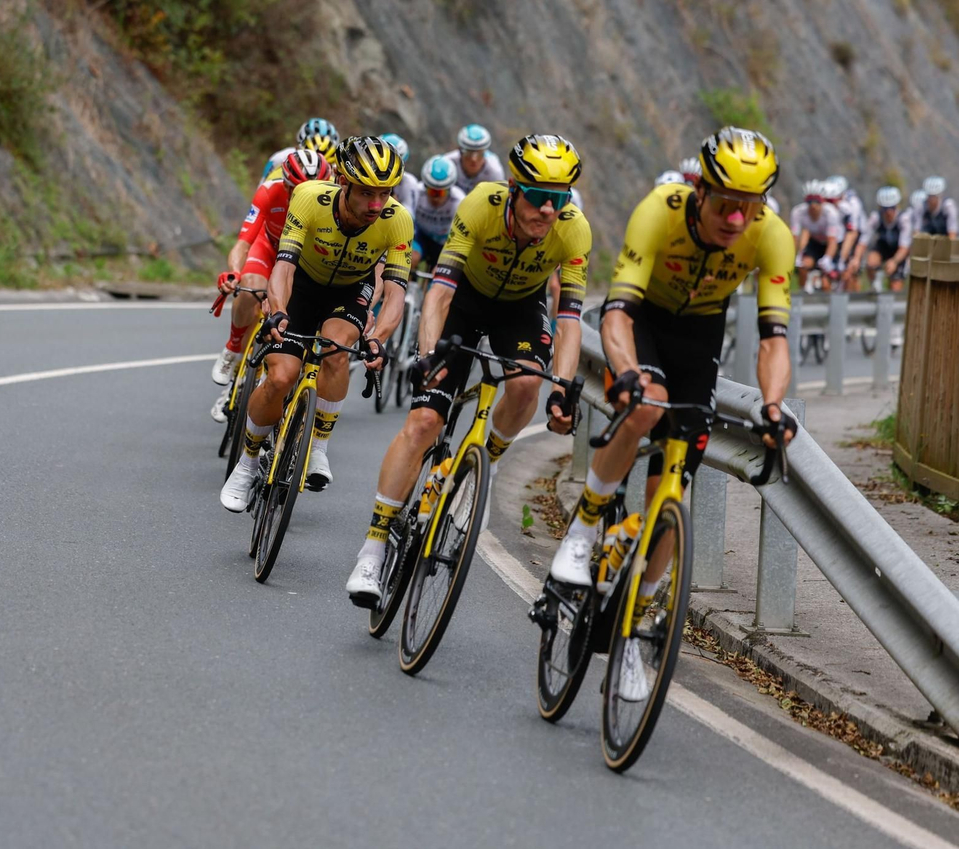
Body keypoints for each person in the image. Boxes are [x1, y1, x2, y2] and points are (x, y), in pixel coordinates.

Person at [548, 127, 794, 701]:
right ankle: (584, 530)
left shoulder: (771, 236)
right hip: (643, 322)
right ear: (700, 190)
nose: (738, 219)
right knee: (645, 407)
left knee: (674, 494)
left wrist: (774, 406)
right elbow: (614, 314)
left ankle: (636, 626)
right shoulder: (661, 210)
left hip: (699, 337)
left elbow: (772, 338)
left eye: (751, 206)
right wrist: (628, 372)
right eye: (728, 203)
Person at [344, 135, 591, 605]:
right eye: (539, 198)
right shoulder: (481, 204)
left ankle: (488, 461)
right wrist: (426, 356)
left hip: (520, 308)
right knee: (423, 422)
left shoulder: (573, 231)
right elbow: (438, 292)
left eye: (559, 201)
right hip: (465, 301)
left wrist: (564, 391)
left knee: (527, 384)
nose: (548, 211)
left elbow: (568, 319)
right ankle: (373, 549)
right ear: (515, 189)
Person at [219, 137, 415, 511]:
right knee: (279, 377)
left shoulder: (397, 220)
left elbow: (394, 294)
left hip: (352, 289)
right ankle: (246, 464)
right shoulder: (310, 198)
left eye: (386, 193)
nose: (377, 205)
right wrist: (277, 310)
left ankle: (319, 447)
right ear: (343, 180)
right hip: (302, 285)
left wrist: (379, 338)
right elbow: (284, 267)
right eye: (367, 193)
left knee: (336, 351)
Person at [210, 150, 334, 419]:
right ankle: (233, 349)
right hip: (269, 248)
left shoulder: (333, 206)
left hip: (303, 261)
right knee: (250, 286)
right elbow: (243, 243)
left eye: (310, 192)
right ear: (285, 184)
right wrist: (233, 272)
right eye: (295, 190)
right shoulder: (269, 191)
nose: (302, 198)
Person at [409, 155, 466, 270]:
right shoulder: (416, 192)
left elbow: (459, 238)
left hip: (444, 242)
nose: (435, 198)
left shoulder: (459, 201)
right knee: (410, 259)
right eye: (431, 191)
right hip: (421, 236)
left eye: (440, 193)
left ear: (449, 189)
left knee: (440, 271)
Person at [789, 180, 842, 285]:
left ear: (822, 201)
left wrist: (827, 258)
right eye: (809, 202)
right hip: (815, 243)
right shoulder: (798, 212)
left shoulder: (830, 213)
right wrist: (795, 256)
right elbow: (795, 237)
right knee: (803, 266)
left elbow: (832, 240)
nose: (813, 205)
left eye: (817, 201)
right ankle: (803, 292)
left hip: (831, 245)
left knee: (826, 281)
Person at [864, 186, 912, 288]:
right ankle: (875, 287)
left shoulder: (904, 219)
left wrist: (894, 261)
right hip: (883, 247)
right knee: (871, 260)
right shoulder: (875, 217)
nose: (888, 212)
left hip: (899, 251)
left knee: (895, 286)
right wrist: (856, 258)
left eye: (892, 208)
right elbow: (863, 240)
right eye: (885, 209)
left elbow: (904, 247)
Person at [825, 175, 865, 282]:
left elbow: (853, 233)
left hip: (857, 235)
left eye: (833, 200)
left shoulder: (852, 204)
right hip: (840, 233)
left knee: (849, 269)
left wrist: (843, 259)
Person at [443, 124, 506, 192]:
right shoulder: (447, 164)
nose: (474, 159)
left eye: (479, 153)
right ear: (460, 151)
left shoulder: (494, 171)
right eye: (468, 152)